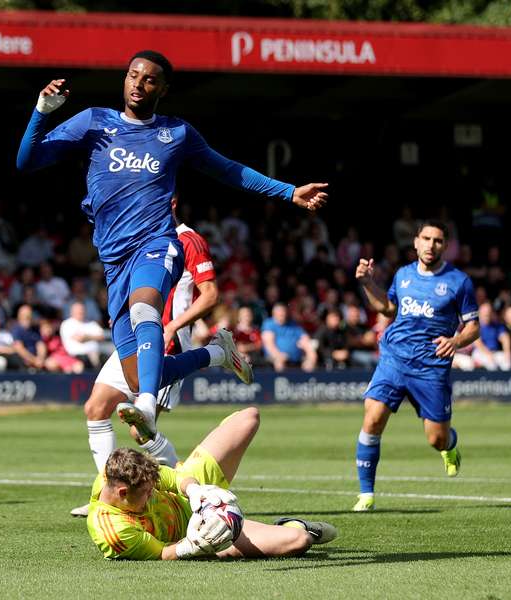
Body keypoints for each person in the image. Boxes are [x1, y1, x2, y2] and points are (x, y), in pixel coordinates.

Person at [17, 50, 328, 445]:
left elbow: (229, 169)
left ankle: (147, 405)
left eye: (149, 79)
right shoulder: (94, 121)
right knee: (141, 374)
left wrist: (289, 192)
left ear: (163, 88)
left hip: (156, 243)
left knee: (145, 307)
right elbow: (27, 161)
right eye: (133, 75)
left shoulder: (176, 133)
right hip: (114, 261)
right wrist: (43, 109)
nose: (138, 84)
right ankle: (215, 354)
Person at [70, 197, 228, 517]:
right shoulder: (136, 236)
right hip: (134, 337)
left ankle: (185, 495)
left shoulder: (189, 239)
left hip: (167, 341)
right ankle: (108, 492)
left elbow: (210, 294)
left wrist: (172, 325)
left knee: (140, 431)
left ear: (170, 202)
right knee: (96, 407)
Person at [87, 408, 338, 560]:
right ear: (122, 493)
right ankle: (291, 524)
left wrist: (196, 492)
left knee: (248, 417)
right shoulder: (114, 531)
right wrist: (195, 545)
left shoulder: (122, 474)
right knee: (299, 540)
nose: (152, 493)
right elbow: (163, 553)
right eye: (146, 493)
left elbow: (174, 478)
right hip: (201, 532)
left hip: (196, 498)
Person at [352, 220, 479, 512]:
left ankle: (449, 445)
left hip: (431, 368)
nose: (431, 245)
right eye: (426, 238)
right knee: (372, 418)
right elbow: (388, 309)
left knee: (436, 439)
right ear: (416, 242)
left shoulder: (459, 282)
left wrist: (457, 341)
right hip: (394, 359)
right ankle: (366, 493)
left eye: (437, 240)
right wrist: (367, 283)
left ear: (445, 246)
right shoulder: (403, 275)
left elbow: (473, 327)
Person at [261, 303, 318, 372]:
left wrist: (310, 354)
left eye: (283, 311)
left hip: (296, 357)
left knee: (311, 358)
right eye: (279, 312)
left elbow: (305, 339)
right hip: (275, 356)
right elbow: (269, 345)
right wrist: (279, 355)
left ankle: (308, 381)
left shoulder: (293, 325)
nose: (282, 314)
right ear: (274, 313)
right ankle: (281, 382)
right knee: (279, 362)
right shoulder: (269, 324)